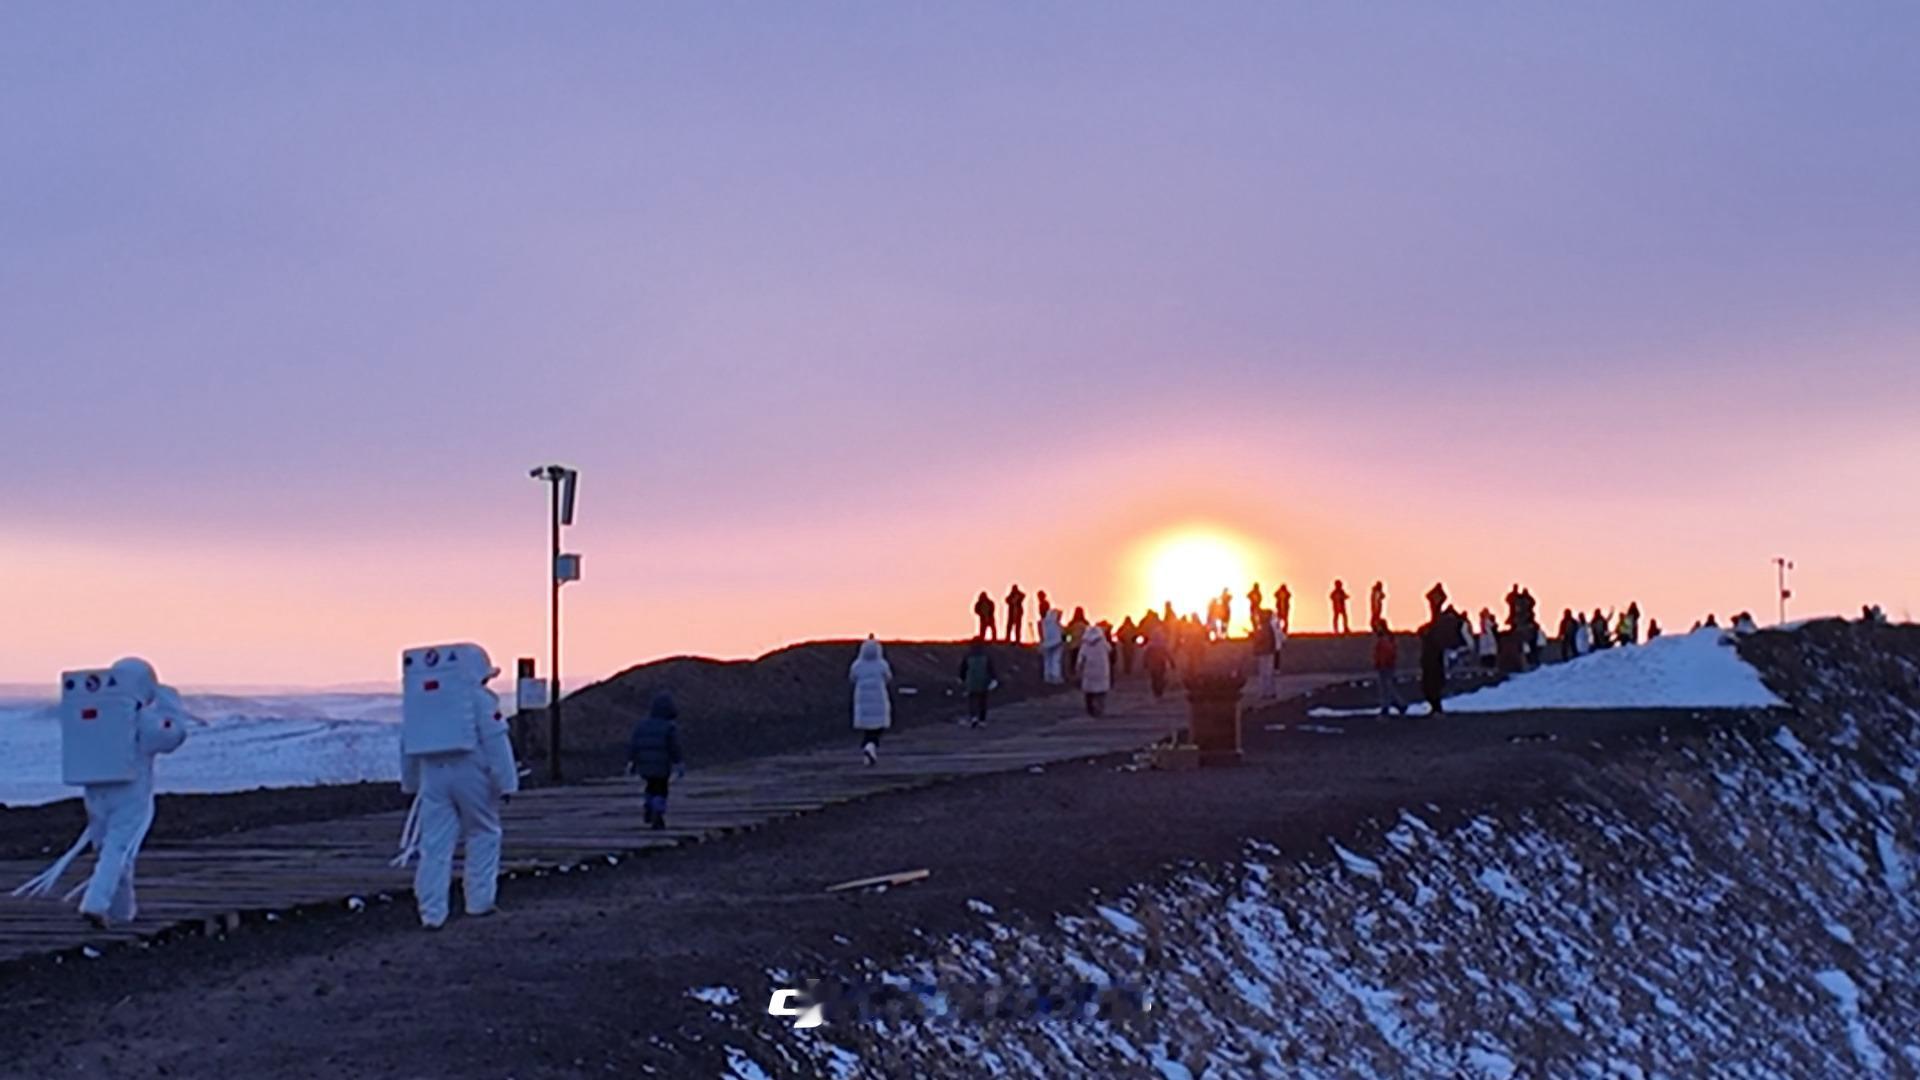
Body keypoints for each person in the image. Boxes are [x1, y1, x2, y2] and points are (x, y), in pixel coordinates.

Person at [12, 657, 190, 928]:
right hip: (129, 789)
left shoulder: (98, 712)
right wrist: (170, 703)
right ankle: (95, 903)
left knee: (113, 848)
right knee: (118, 847)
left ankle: (123, 912)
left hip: (95, 790)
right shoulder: (140, 718)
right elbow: (171, 737)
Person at [392, 644, 519, 929]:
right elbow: (496, 740)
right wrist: (507, 782)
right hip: (471, 770)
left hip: (432, 774)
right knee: (483, 832)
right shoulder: (480, 699)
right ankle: (479, 902)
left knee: (434, 844)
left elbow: (407, 744)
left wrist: (410, 783)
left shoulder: (419, 702)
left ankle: (432, 913)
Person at [628, 691, 685, 825]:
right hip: (662, 765)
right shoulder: (669, 727)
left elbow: (634, 744)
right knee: (661, 788)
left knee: (650, 785)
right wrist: (679, 762)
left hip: (645, 764)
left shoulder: (641, 726)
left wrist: (632, 761)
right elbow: (674, 747)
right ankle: (657, 813)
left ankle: (648, 803)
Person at [849, 635, 893, 762]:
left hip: (862, 701)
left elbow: (852, 678)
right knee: (878, 728)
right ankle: (870, 747)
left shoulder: (857, 665)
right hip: (878, 699)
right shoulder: (881, 664)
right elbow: (888, 677)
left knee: (867, 729)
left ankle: (868, 749)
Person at [1419, 609, 1461, 715]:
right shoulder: (1433, 635)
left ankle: (1437, 708)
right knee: (1429, 688)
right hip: (1430, 665)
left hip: (1434, 666)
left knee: (1433, 688)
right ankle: (1435, 708)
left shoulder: (1437, 637)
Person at [957, 636, 998, 728]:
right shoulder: (986, 656)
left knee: (972, 700)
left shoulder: (968, 655)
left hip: (971, 681)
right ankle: (982, 719)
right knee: (982, 701)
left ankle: (973, 717)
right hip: (983, 681)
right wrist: (994, 679)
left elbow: (963, 668)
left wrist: (961, 679)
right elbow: (990, 669)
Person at [1078, 624, 1113, 717]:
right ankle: (1100, 708)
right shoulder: (1103, 642)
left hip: (1089, 670)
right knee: (1101, 691)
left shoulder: (1085, 644)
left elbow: (1081, 658)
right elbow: (1110, 650)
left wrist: (1078, 667)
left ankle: (1090, 709)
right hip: (1102, 670)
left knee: (1089, 691)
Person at [1372, 620, 1406, 717]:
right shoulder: (1384, 637)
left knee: (1386, 687)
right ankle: (1397, 704)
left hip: (1386, 665)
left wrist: (1383, 662)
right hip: (1383, 665)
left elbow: (1387, 651)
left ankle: (1389, 706)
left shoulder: (1385, 638)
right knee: (1386, 687)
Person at [1250, 613, 1277, 698]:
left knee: (1264, 674)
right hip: (1268, 652)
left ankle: (1265, 692)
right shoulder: (1269, 628)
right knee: (1268, 673)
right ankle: (1270, 691)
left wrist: (1254, 636)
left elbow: (1261, 639)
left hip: (1265, 653)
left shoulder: (1264, 628)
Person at [1143, 627, 1174, 699]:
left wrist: (1145, 664)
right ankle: (1159, 691)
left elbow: (1146, 655)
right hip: (1160, 664)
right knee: (1160, 678)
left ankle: (1156, 691)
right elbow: (1168, 654)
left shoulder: (1150, 645)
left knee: (1154, 679)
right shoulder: (1162, 645)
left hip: (1153, 665)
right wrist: (1172, 663)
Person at [1038, 609, 1066, 684]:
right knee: (1056, 660)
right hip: (1057, 644)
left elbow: (1042, 634)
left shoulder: (1044, 623)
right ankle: (1055, 676)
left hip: (1046, 644)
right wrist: (1068, 639)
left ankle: (1047, 676)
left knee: (1047, 660)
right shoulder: (1057, 625)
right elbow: (1063, 635)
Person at [1064, 606, 1090, 679]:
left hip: (1076, 645)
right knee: (1077, 661)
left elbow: (1067, 634)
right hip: (1080, 646)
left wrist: (1067, 643)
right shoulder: (1085, 623)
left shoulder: (1071, 623)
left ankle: (1075, 675)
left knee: (1074, 662)